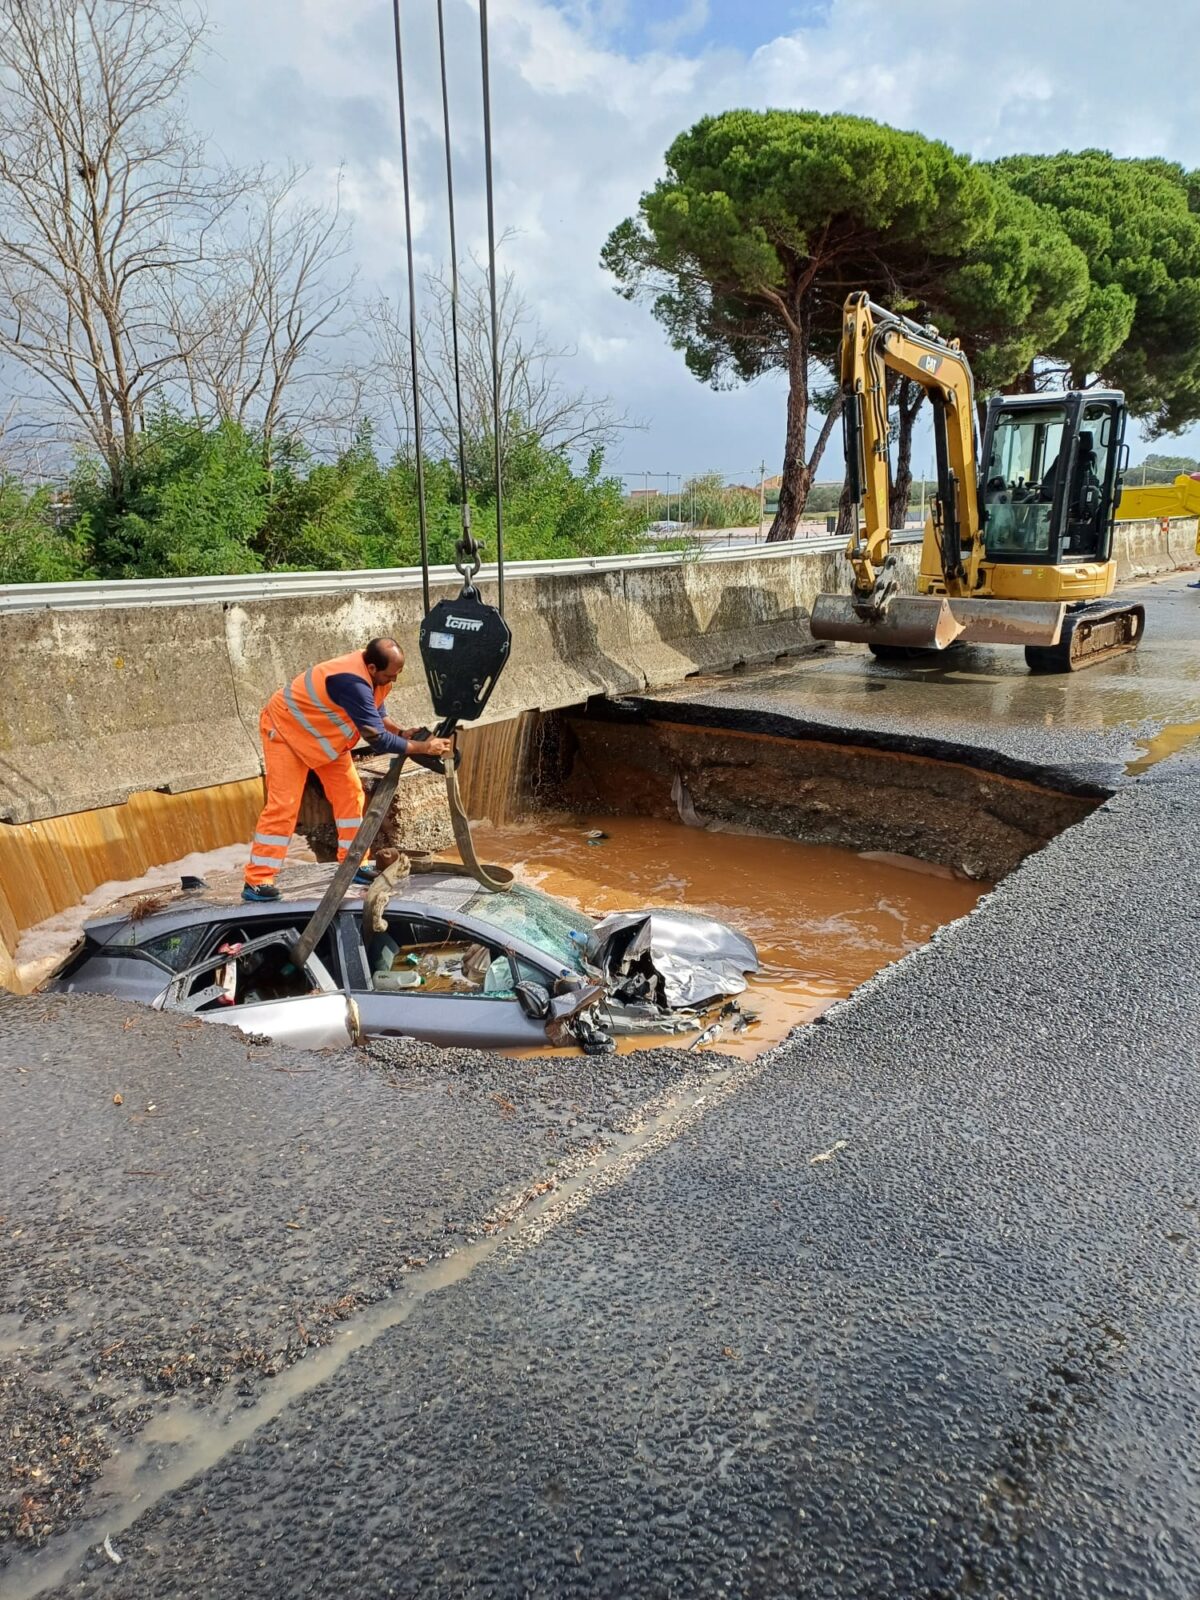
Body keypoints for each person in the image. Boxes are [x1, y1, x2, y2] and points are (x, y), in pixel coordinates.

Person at [242, 638, 452, 903]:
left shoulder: (377, 678)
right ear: (373, 667)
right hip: (285, 731)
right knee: (283, 805)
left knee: (351, 794)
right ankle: (257, 880)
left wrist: (401, 731)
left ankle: (352, 862)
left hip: (324, 740)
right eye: (390, 675)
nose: (394, 681)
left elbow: (378, 716)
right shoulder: (351, 682)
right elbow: (378, 739)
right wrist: (423, 746)